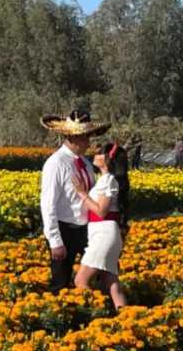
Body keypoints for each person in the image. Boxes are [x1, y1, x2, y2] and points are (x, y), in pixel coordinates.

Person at [39, 110, 111, 292]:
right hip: (65, 230)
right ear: (71, 137)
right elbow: (48, 205)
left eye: (88, 136)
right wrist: (55, 240)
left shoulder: (85, 163)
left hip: (86, 228)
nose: (88, 141)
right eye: (84, 137)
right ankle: (63, 313)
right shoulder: (56, 164)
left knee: (101, 270)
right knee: (60, 281)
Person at [72, 141, 129, 308]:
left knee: (80, 280)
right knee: (111, 283)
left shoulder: (108, 181)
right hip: (103, 233)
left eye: (99, 153)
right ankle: (126, 316)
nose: (94, 156)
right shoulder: (105, 180)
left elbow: (101, 211)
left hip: (103, 234)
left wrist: (82, 194)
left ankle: (96, 312)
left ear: (107, 159)